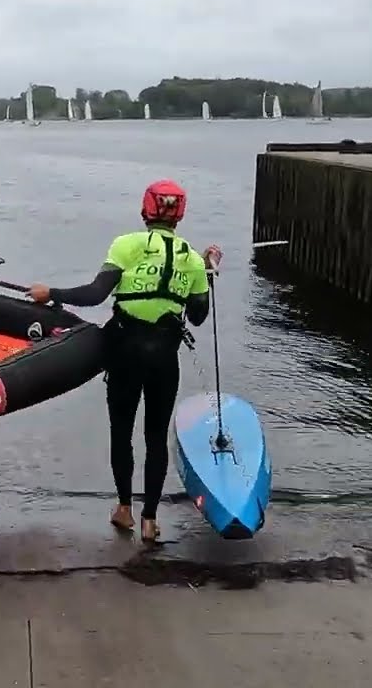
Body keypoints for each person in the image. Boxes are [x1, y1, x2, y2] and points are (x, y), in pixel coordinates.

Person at [28, 180, 222, 542]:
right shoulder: (193, 259)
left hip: (124, 352)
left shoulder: (126, 244)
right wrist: (207, 275)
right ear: (180, 214)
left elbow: (94, 294)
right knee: (155, 437)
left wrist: (50, 293)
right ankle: (150, 519)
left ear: (145, 210)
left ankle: (124, 509)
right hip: (165, 359)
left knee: (122, 433)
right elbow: (197, 317)